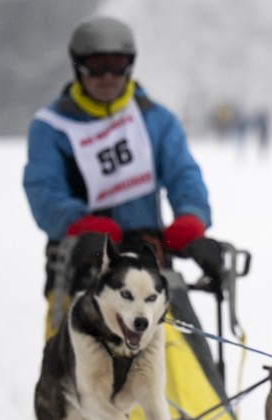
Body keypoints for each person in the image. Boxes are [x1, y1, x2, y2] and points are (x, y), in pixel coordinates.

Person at [23, 15, 211, 336]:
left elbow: (183, 174)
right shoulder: (52, 127)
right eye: (97, 65)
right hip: (81, 264)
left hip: (147, 267)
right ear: (78, 66)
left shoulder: (155, 119)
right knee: (78, 375)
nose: (108, 76)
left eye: (118, 64)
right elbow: (43, 188)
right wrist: (78, 223)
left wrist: (191, 217)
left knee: (184, 375)